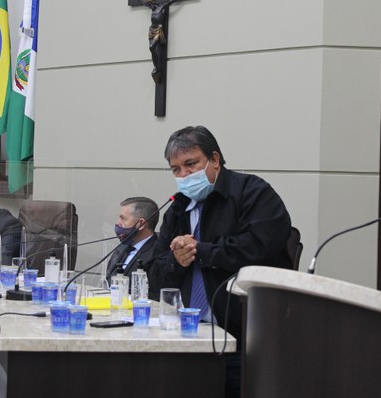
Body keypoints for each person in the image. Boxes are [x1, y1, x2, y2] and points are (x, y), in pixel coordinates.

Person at [148, 126, 292, 397]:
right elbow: (155, 276)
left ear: (214, 159)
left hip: (245, 338)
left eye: (191, 164)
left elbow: (259, 248)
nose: (184, 175)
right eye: (176, 169)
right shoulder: (177, 208)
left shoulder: (253, 192)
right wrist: (177, 261)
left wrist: (202, 250)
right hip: (187, 337)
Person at [105, 197, 159, 294]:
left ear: (141, 224)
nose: (118, 223)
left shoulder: (158, 254)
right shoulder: (122, 247)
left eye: (123, 218)